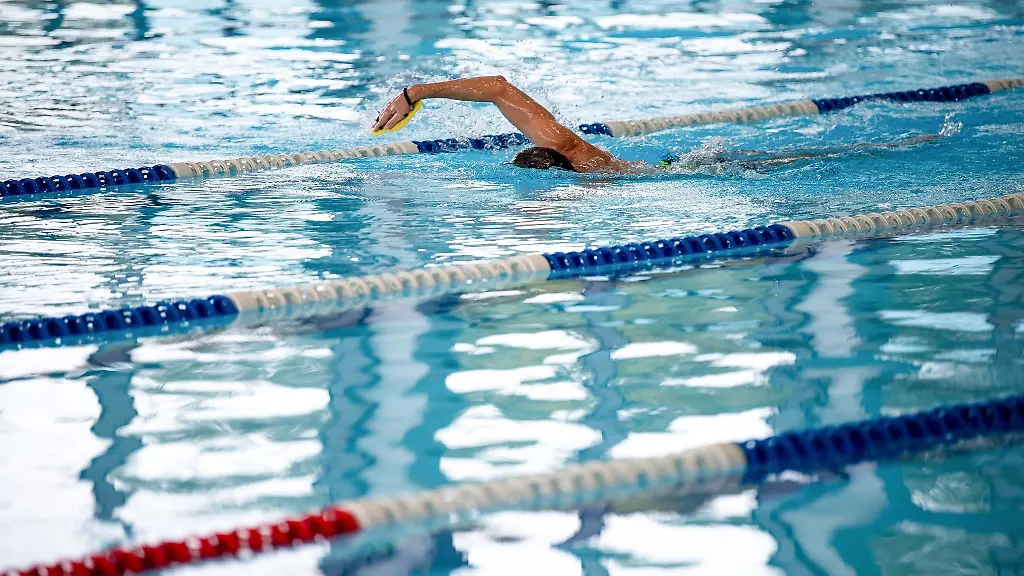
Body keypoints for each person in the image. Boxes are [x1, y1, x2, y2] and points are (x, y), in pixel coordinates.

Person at [371, 75, 945, 174]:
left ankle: (915, 139)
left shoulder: (579, 158)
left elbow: (497, 86)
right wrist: (416, 93)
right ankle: (911, 139)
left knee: (809, 159)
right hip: (673, 169)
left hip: (690, 170)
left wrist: (413, 93)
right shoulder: (570, 157)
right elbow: (498, 90)